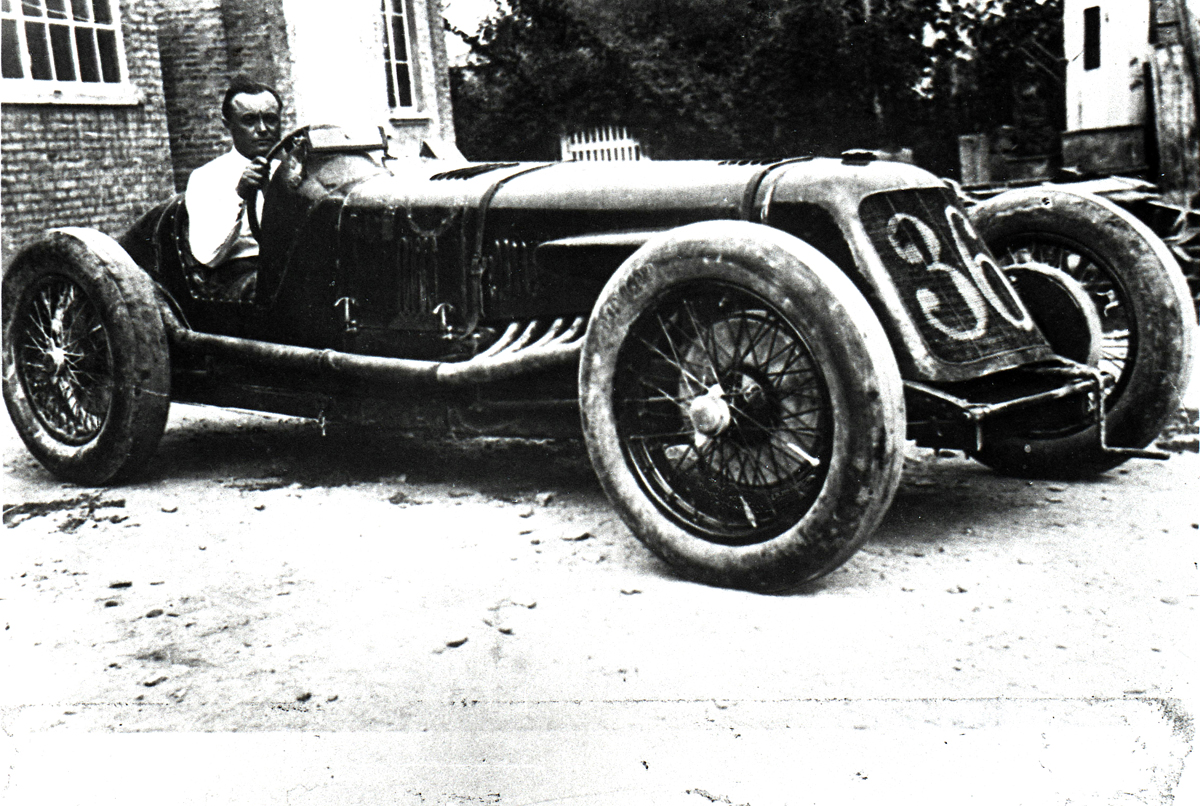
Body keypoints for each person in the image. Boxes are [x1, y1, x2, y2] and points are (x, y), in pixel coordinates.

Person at [184, 75, 282, 302]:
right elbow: (207, 256)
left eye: (270, 119)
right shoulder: (206, 177)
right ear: (228, 124)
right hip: (238, 275)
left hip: (290, 267)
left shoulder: (291, 172)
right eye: (249, 120)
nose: (262, 129)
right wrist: (240, 195)